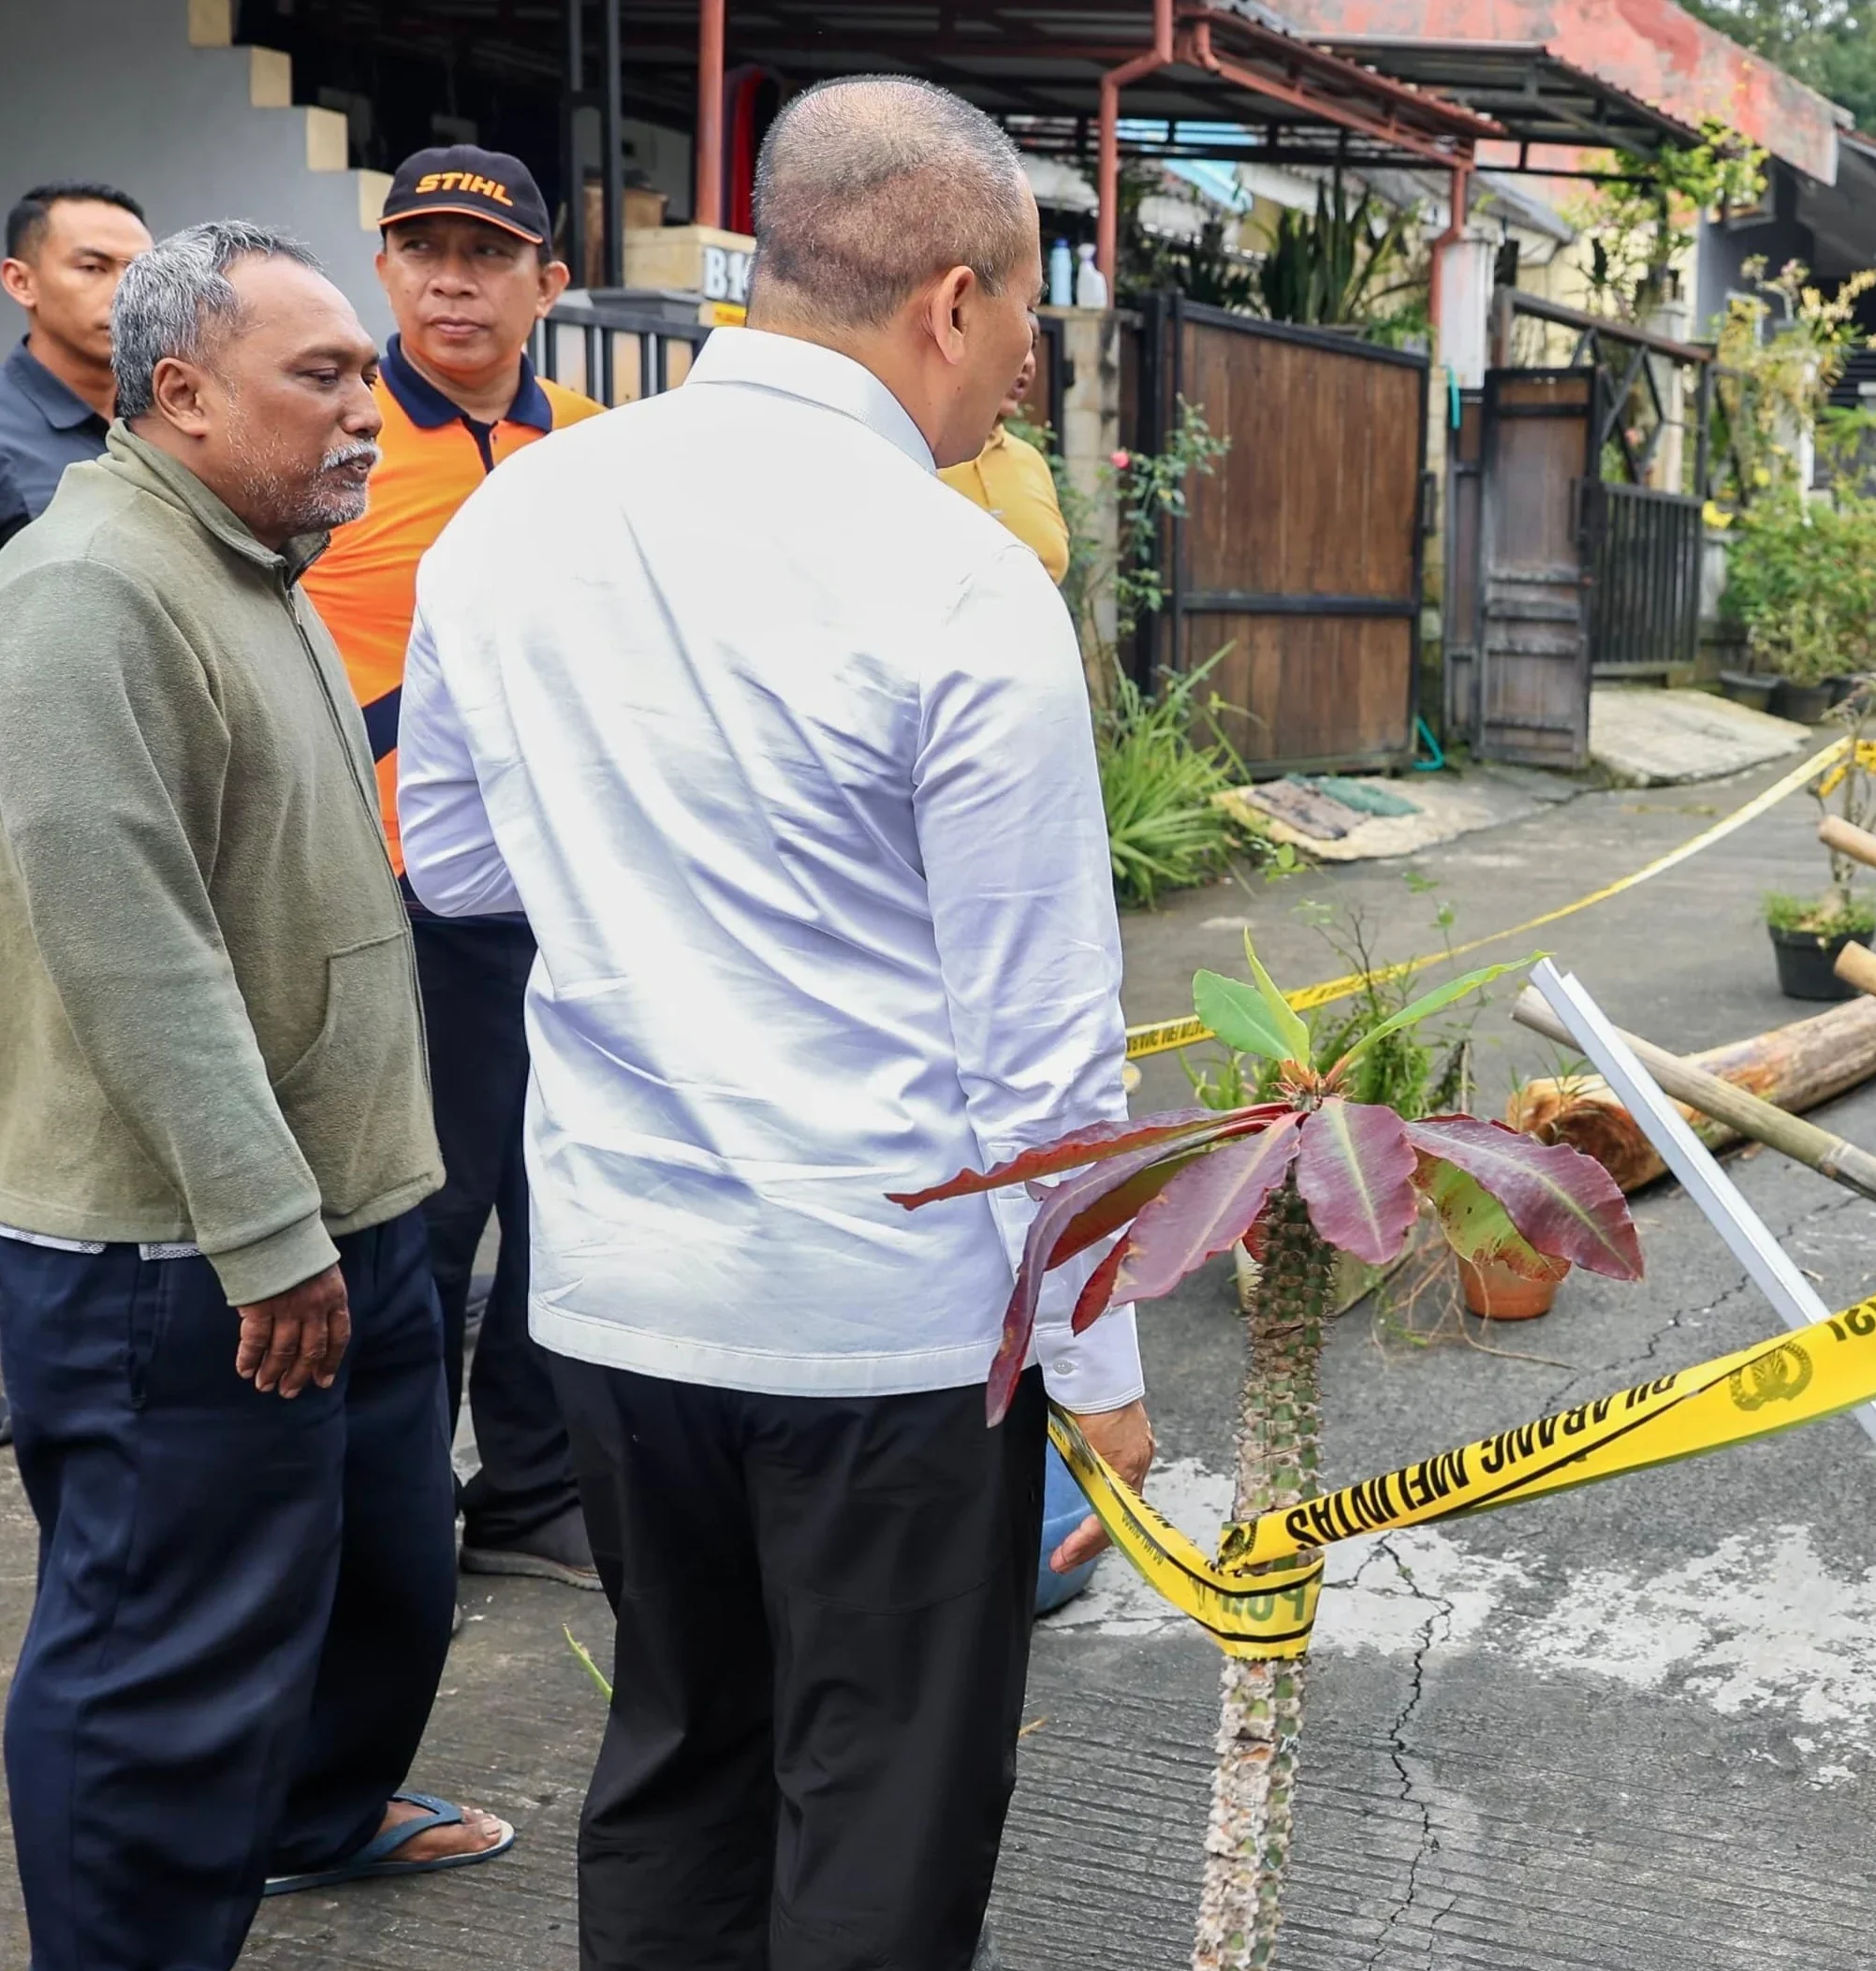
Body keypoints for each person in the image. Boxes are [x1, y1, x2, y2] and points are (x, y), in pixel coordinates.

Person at [399, 77, 1155, 1969]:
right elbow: (1041, 1047)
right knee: (881, 1798)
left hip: (620, 1297)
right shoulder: (963, 583)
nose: (1015, 374)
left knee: (676, 1754)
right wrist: (1102, 1360)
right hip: (882, 1326)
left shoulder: (519, 513)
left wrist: (645, 863)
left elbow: (456, 867)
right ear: (953, 297)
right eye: (1024, 324)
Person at [0, 219, 515, 1971]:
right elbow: (128, 945)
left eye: (365, 374)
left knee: (376, 1578)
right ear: (181, 392)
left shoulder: (252, 562)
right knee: (163, 1663)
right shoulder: (92, 594)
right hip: (187, 1261)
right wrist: (267, 1232)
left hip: (338, 1221)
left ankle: (312, 1818)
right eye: (325, 376)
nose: (368, 408)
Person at [303, 145, 605, 1592]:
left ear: (550, 282)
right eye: (420, 250)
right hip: (395, 893)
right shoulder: (329, 430)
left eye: (486, 257)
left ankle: (534, 1486)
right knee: (422, 1204)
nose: (449, 280)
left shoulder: (604, 447)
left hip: (577, 889)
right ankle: (400, 1497)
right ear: (384, 270)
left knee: (562, 1189)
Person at [0, 182, 151, 549]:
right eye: (92, 268)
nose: (126, 293)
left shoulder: (176, 417)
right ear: (21, 282)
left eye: (140, 271)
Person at [938, 331, 1068, 581]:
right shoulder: (924, 456)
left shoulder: (1029, 460)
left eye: (1034, 346)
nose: (1028, 361)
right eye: (1017, 341)